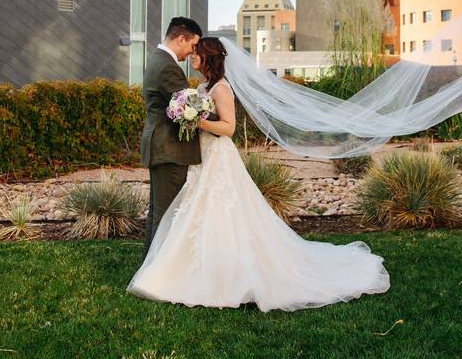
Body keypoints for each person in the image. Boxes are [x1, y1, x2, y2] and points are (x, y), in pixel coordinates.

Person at [128, 37, 390, 312]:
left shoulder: (221, 89)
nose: (193, 57)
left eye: (198, 53)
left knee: (222, 210)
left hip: (218, 155)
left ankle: (227, 275)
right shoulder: (203, 86)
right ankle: (193, 267)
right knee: (199, 211)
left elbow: (228, 128)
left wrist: (197, 120)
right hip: (202, 156)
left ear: (209, 57)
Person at [139, 16, 203, 260]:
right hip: (169, 148)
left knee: (158, 211)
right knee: (167, 213)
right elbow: (191, 105)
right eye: (192, 45)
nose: (191, 52)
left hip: (160, 145)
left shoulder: (158, 59)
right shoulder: (167, 66)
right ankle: (157, 273)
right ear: (181, 38)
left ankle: (149, 265)